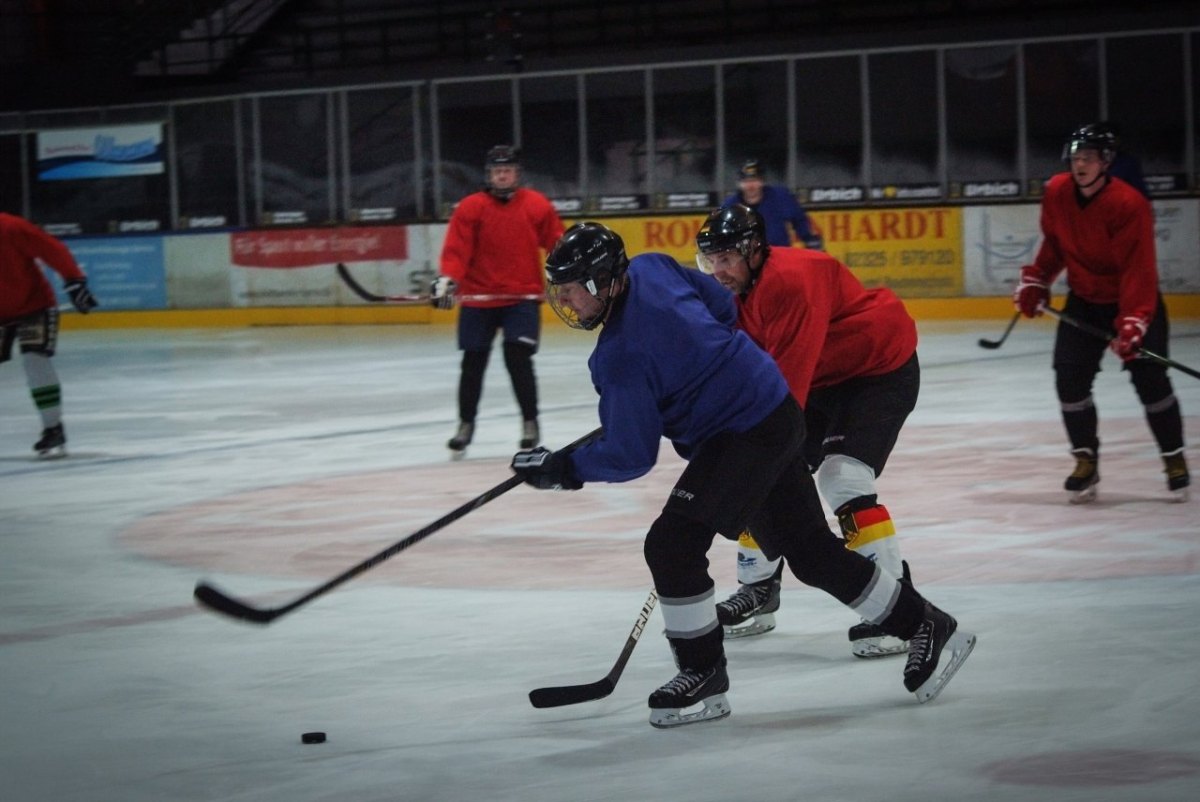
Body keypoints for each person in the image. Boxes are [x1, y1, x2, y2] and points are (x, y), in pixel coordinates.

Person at [511, 221, 975, 728]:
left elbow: (630, 455)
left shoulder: (619, 358)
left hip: (744, 435)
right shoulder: (652, 267)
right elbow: (723, 308)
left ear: (605, 281)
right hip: (773, 409)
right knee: (812, 554)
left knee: (671, 543)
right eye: (561, 291)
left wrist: (562, 468)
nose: (568, 303)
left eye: (574, 290)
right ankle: (928, 623)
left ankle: (702, 674)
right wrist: (701, 368)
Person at [696, 204, 918, 658]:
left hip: (877, 371)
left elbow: (784, 397)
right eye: (710, 260)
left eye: (726, 259)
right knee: (762, 470)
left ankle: (897, 605)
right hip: (824, 374)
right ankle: (759, 590)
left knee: (842, 478)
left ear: (754, 250)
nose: (718, 271)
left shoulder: (791, 281)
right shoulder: (736, 290)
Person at [1013, 123, 1189, 503]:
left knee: (1152, 383)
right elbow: (1055, 246)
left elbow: (1138, 269)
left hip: (1133, 300)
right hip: (1086, 301)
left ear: (1105, 162)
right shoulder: (1057, 192)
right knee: (1069, 380)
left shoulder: (1129, 205)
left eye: (1088, 158)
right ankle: (1085, 460)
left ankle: (1174, 458)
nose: (1080, 165)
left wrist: (1133, 321)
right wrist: (1037, 279)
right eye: (1076, 158)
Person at [431, 144, 564, 457]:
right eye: (496, 171)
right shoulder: (470, 207)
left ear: (517, 174)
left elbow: (557, 243)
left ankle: (530, 423)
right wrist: (448, 280)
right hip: (479, 299)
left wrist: (568, 276)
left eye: (507, 170)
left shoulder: (536, 205)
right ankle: (465, 425)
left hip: (522, 298)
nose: (502, 176)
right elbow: (457, 251)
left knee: (518, 359)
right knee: (472, 364)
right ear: (489, 175)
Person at [1, 212, 98, 457]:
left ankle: (52, 427)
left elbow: (52, 248)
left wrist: (74, 280)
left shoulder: (11, 227)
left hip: (35, 305)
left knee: (35, 359)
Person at [722, 159, 822, 249]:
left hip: (778, 253)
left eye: (754, 180)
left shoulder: (780, 196)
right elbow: (721, 233)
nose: (751, 186)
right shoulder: (730, 204)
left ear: (762, 181)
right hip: (747, 258)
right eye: (746, 182)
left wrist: (810, 239)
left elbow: (800, 220)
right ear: (739, 183)